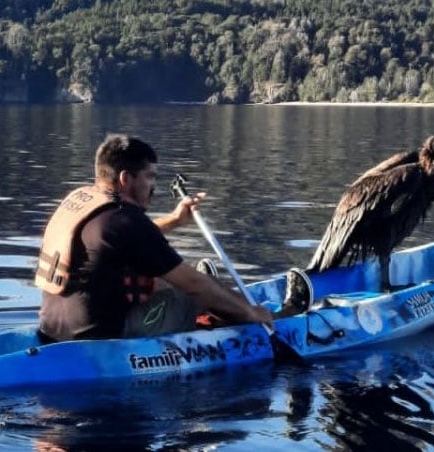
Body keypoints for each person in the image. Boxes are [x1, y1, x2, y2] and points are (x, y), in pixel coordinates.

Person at [34, 134, 273, 342]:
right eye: (149, 177)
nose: (153, 186)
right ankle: (241, 327)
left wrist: (175, 220)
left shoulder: (83, 203)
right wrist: (251, 313)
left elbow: (125, 241)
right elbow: (194, 285)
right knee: (196, 292)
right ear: (125, 179)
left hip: (51, 329)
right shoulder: (127, 220)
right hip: (100, 337)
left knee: (162, 280)